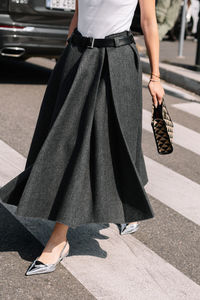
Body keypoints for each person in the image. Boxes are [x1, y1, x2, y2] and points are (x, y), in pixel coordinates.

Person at [0, 0, 165, 276]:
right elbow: (79, 14)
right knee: (68, 141)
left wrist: (156, 77)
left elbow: (149, 22)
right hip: (78, 57)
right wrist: (68, 57)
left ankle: (59, 238)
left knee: (117, 139)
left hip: (116, 62)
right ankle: (121, 206)